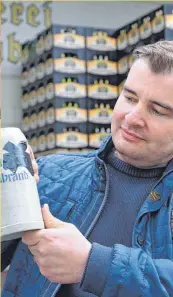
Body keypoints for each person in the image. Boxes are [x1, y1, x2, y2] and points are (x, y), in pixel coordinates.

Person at [2, 40, 173, 297]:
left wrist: (93, 265)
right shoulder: (50, 175)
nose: (132, 117)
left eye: (157, 111)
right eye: (129, 97)